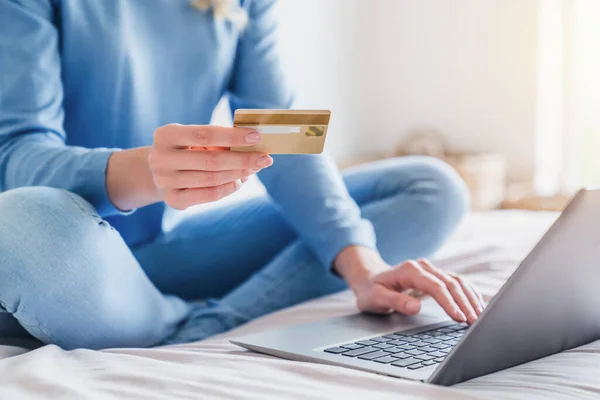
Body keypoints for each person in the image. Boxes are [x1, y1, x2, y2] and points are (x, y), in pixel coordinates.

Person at [0, 0, 482, 350]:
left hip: (158, 257)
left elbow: (282, 136)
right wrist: (145, 171)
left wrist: (364, 266)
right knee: (17, 222)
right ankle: (142, 318)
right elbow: (16, 154)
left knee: (430, 186)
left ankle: (198, 329)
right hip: (62, 250)